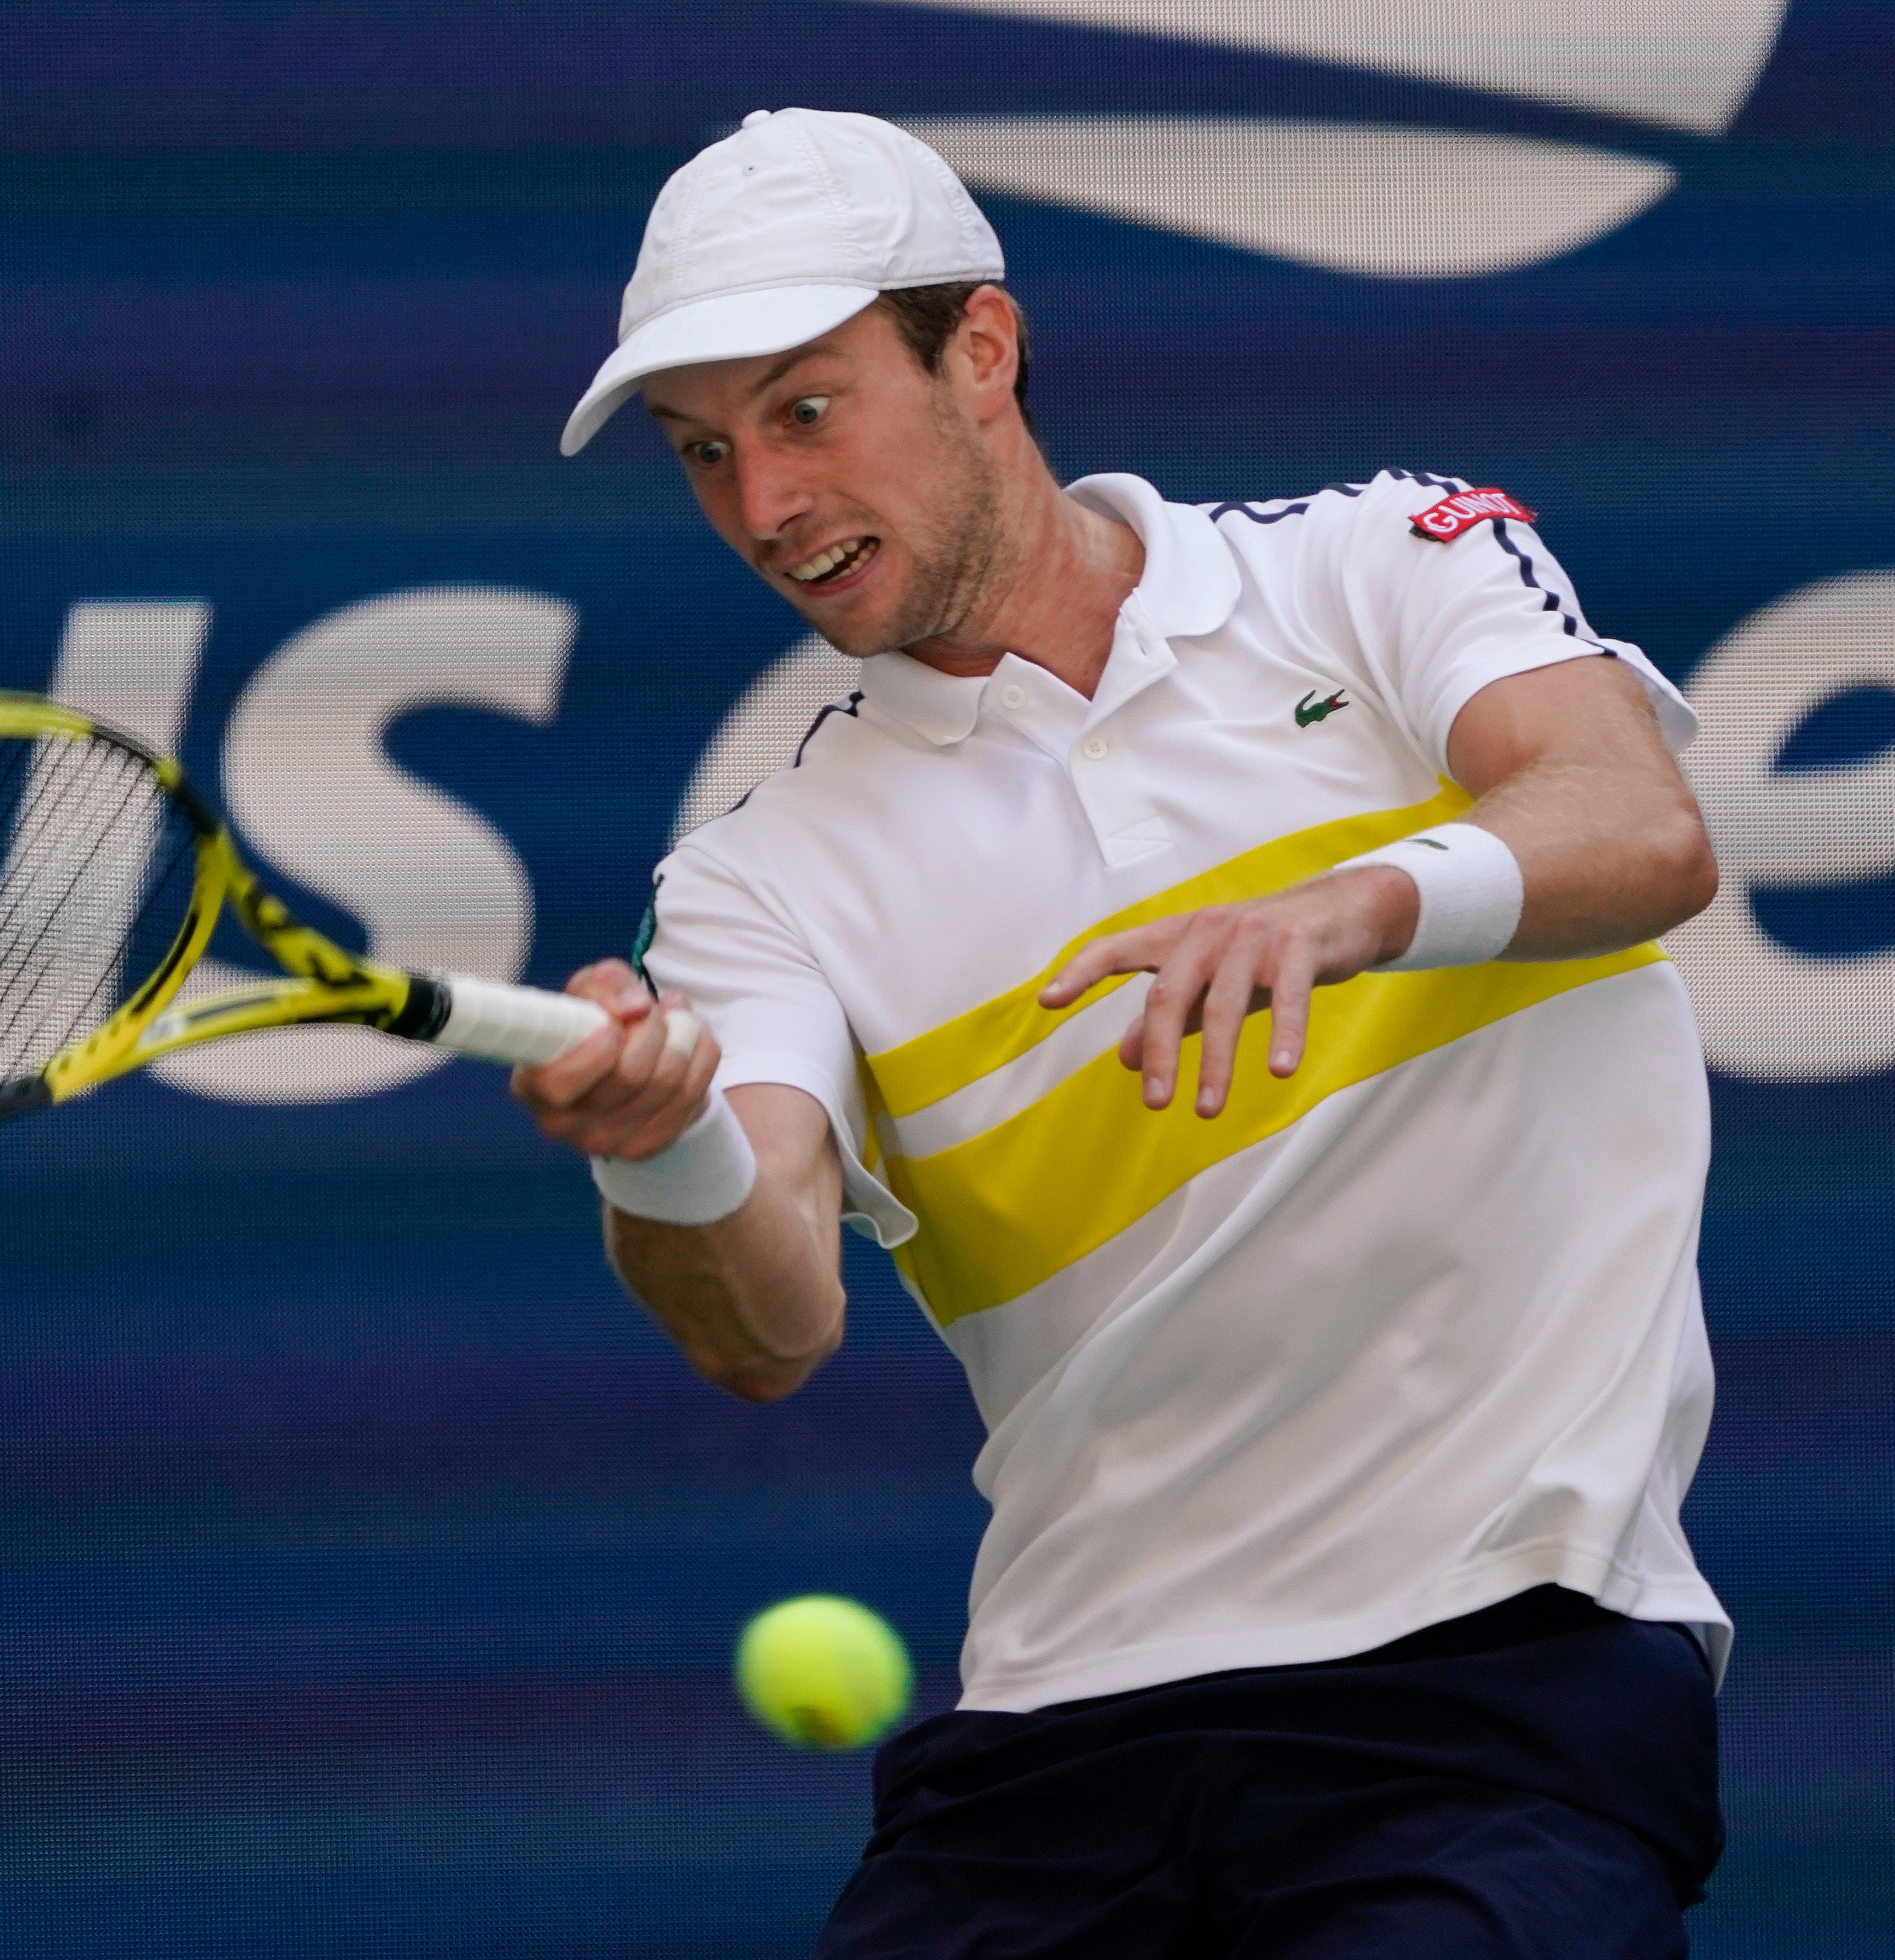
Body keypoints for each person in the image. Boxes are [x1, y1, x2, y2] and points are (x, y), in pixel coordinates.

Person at [524, 108, 1729, 1957]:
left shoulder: (1378, 563)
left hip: (1495, 1682)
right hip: (1051, 1743)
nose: (763, 506)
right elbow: (767, 1320)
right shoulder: (751, 884)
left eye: (806, 410)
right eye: (705, 452)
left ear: (981, 353)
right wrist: (660, 1150)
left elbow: (1634, 826)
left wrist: (1345, 906)